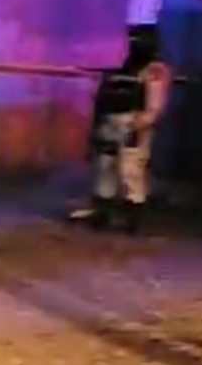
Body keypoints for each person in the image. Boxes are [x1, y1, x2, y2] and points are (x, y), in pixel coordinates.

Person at [69, 24, 170, 233]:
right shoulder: (121, 67)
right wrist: (97, 126)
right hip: (109, 122)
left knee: (130, 170)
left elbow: (154, 105)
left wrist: (140, 125)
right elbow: (102, 97)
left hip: (132, 123)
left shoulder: (154, 70)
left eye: (136, 39)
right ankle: (102, 213)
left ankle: (131, 219)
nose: (132, 43)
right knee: (105, 167)